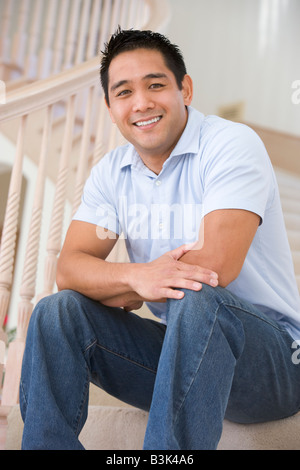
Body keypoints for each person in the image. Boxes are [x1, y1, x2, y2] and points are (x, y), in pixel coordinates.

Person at [20, 28, 300, 450]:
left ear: (184, 89)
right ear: (110, 108)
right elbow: (70, 270)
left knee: (200, 294)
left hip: (273, 363)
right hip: (182, 359)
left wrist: (112, 283)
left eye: (155, 85)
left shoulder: (229, 144)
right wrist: (136, 277)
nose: (142, 103)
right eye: (124, 92)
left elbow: (215, 268)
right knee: (56, 312)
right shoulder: (112, 173)